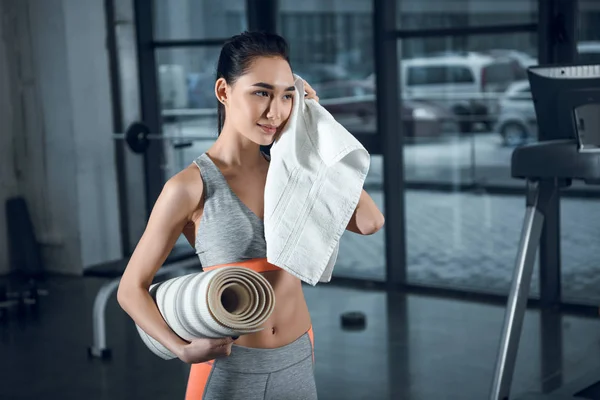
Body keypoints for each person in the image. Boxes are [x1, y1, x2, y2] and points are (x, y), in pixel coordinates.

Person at [116, 31, 385, 400]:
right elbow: (130, 289)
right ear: (224, 92)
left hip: (297, 355)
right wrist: (181, 349)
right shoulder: (189, 186)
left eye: (287, 95)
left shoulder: (291, 172)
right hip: (230, 365)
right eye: (261, 92)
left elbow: (370, 222)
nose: (276, 112)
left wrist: (314, 125)